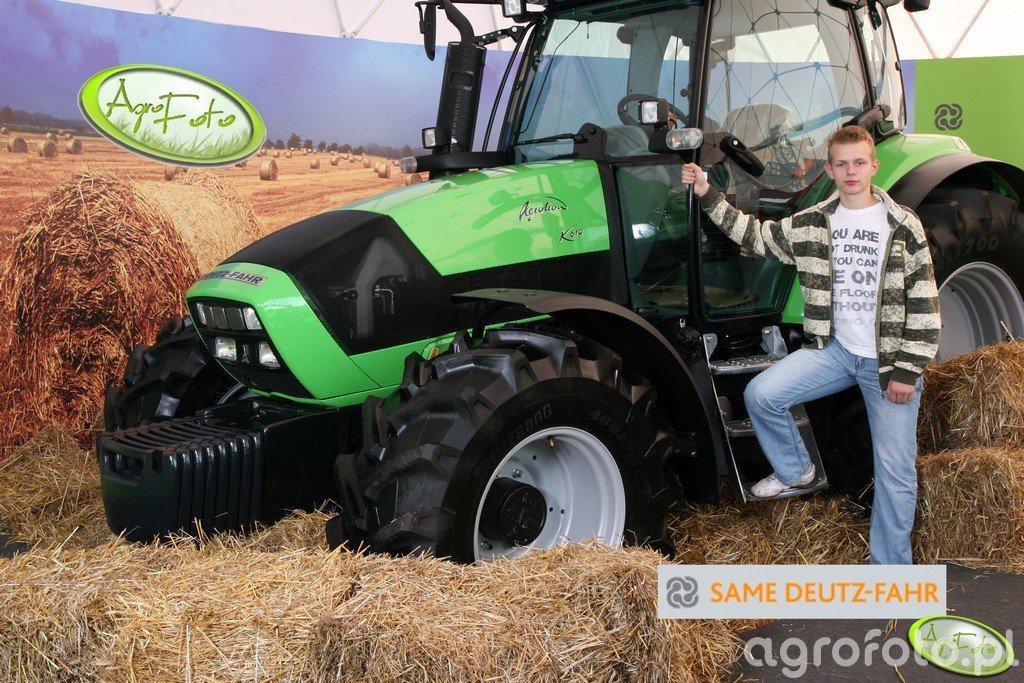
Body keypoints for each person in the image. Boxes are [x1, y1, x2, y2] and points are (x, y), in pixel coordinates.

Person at [681, 125, 941, 565]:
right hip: (836, 352)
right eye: (842, 164)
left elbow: (925, 305)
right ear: (831, 170)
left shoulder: (902, 226)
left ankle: (892, 572)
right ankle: (796, 470)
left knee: (895, 473)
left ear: (873, 166)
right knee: (762, 394)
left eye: (859, 162)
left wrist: (907, 370)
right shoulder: (814, 222)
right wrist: (707, 193)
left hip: (888, 363)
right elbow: (754, 235)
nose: (851, 171)